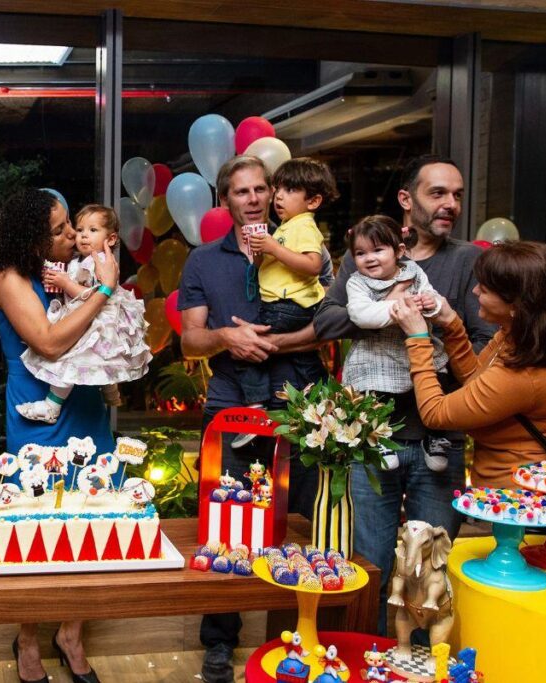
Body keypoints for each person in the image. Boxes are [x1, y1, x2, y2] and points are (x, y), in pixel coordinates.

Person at [313, 154, 494, 636]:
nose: (451, 204)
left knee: (430, 567)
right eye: (438, 193)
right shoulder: (365, 256)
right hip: (372, 439)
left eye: (457, 195)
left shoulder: (467, 261)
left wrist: (439, 322)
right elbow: (325, 321)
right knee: (370, 563)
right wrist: (385, 311)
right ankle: (369, 650)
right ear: (406, 199)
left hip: (440, 437)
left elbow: (483, 344)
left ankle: (425, 658)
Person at [177, 155, 322, 683]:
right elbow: (190, 340)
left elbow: (332, 321)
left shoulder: (301, 246)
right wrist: (226, 337)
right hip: (230, 401)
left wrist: (277, 342)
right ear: (226, 201)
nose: (255, 198)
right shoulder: (202, 261)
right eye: (242, 191)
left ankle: (296, 635)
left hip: (298, 400)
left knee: (298, 518)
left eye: (262, 188)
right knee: (226, 521)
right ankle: (220, 640)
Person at [0, 189, 115, 683]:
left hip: (81, 404)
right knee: (34, 527)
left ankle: (71, 633)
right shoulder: (10, 278)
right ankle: (27, 638)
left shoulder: (74, 268)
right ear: (32, 238)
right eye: (60, 229)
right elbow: (48, 342)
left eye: (70, 225)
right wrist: (103, 291)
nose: (71, 234)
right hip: (36, 409)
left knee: (92, 522)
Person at [391, 241, 546, 487]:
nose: (474, 291)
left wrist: (418, 338)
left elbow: (435, 413)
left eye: (485, 288)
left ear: (516, 305)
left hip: (514, 496)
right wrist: (451, 324)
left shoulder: (522, 376)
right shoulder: (526, 337)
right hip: (510, 484)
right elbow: (477, 380)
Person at [17, 204, 150, 423]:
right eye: (80, 230)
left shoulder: (102, 262)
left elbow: (95, 297)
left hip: (98, 322)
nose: (83, 235)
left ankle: (52, 406)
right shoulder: (83, 260)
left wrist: (65, 283)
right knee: (99, 360)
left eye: (93, 230)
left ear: (111, 239)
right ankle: (110, 392)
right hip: (92, 319)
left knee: (70, 361)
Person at [341, 215, 450, 471]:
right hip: (377, 350)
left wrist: (431, 304)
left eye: (378, 250)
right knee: (372, 390)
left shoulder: (414, 272)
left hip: (416, 347)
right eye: (360, 253)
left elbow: (431, 294)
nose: (369, 258)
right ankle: (377, 435)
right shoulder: (357, 282)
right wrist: (400, 308)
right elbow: (361, 314)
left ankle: (435, 435)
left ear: (399, 251)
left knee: (438, 376)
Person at [249, 158, 338, 416]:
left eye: (289, 190)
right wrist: (260, 251)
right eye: (277, 189)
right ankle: (323, 390)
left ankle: (255, 402)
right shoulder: (287, 227)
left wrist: (273, 248)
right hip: (285, 304)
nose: (278, 196)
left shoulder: (305, 226)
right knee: (300, 357)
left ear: (313, 201)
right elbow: (267, 266)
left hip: (287, 305)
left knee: (251, 347)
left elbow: (313, 265)